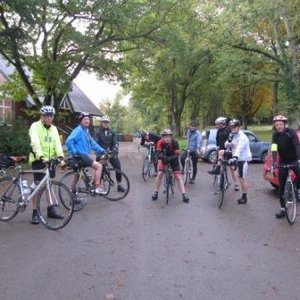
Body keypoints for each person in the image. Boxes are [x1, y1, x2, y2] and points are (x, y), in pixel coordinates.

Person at [29, 105, 65, 225]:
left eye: (51, 116)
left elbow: (57, 144)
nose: (49, 118)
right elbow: (35, 143)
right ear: (42, 116)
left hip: (50, 160)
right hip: (38, 159)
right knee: (38, 186)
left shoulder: (54, 129)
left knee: (49, 184)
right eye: (46, 116)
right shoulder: (35, 126)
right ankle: (34, 212)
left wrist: (60, 157)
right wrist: (41, 156)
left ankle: (50, 209)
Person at [65, 112, 107, 195]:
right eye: (85, 119)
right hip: (80, 157)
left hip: (82, 156)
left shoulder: (85, 131)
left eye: (88, 119)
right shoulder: (78, 130)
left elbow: (93, 144)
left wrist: (103, 151)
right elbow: (69, 141)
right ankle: (97, 187)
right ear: (81, 121)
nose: (87, 120)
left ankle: (71, 194)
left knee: (77, 175)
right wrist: (75, 152)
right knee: (99, 166)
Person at [271, 115, 300, 219]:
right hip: (282, 161)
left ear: (284, 124)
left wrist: (299, 158)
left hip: (294, 160)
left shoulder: (291, 132)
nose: (279, 126)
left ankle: (296, 188)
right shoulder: (275, 135)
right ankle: (283, 208)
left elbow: (297, 145)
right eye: (277, 124)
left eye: (280, 124)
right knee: (281, 186)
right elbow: (274, 148)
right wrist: (274, 161)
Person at [151, 129, 189, 203]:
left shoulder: (175, 143)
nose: (167, 138)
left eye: (169, 136)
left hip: (174, 160)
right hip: (164, 160)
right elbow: (158, 154)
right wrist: (162, 157)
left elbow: (177, 154)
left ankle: (184, 195)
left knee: (178, 177)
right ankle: (156, 192)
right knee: (159, 174)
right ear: (163, 137)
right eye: (165, 137)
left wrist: (170, 158)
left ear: (171, 137)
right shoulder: (160, 142)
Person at [208, 117, 239, 191]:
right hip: (221, 150)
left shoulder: (228, 130)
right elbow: (217, 140)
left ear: (222, 124)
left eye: (218, 124)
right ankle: (220, 177)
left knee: (232, 168)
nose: (217, 126)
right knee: (220, 162)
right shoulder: (218, 131)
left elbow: (232, 140)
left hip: (229, 151)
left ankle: (236, 184)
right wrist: (217, 146)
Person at [95, 115, 125, 192]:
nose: (105, 124)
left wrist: (115, 147)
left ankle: (119, 185)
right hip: (102, 154)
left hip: (111, 153)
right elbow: (96, 143)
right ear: (101, 123)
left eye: (107, 122)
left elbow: (115, 142)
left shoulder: (113, 132)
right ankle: (98, 186)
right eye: (104, 122)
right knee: (100, 169)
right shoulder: (98, 132)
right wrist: (101, 152)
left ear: (109, 123)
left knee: (118, 168)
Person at [225, 119, 252, 204]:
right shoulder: (233, 135)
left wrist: (235, 157)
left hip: (243, 159)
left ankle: (244, 197)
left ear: (238, 127)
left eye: (234, 127)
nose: (232, 129)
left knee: (242, 178)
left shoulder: (242, 137)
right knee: (240, 177)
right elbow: (226, 145)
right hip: (237, 158)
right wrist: (229, 141)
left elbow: (239, 148)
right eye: (231, 128)